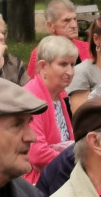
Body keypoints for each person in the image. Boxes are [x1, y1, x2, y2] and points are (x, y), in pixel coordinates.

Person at [24, 35, 78, 184]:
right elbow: (38, 155)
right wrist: (78, 164)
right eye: (63, 64)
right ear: (43, 66)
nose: (70, 72)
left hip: (59, 175)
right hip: (38, 182)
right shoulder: (31, 98)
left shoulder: (60, 95)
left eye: (72, 65)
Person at [28, 0, 92, 78]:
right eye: (66, 20)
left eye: (75, 19)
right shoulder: (41, 53)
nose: (74, 25)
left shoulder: (88, 47)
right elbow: (33, 87)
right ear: (50, 26)